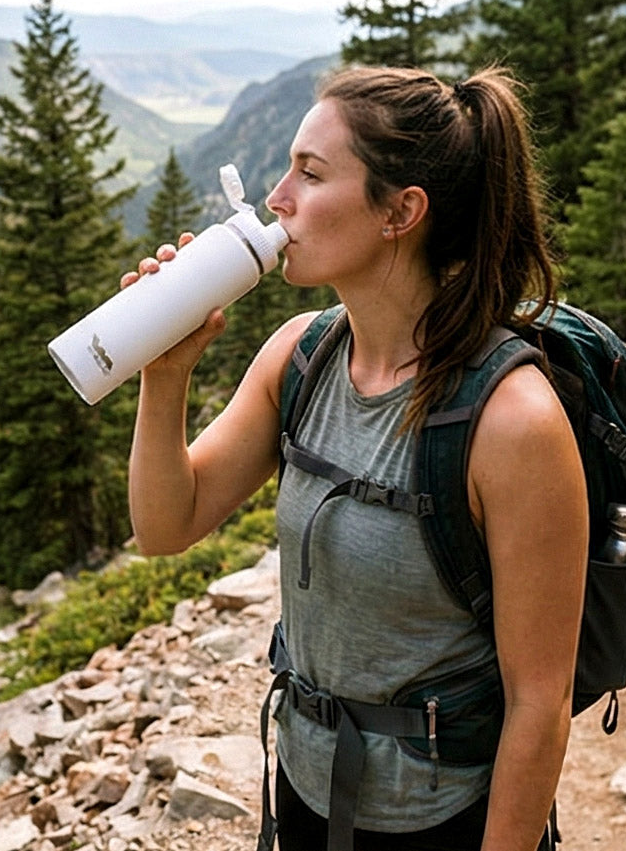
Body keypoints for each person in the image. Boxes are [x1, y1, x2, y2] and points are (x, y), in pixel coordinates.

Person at [123, 65, 588, 851]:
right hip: (306, 790)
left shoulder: (512, 422)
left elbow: (539, 704)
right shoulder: (298, 358)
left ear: (400, 211)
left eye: (309, 173)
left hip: (440, 819)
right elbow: (167, 524)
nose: (277, 198)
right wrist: (163, 375)